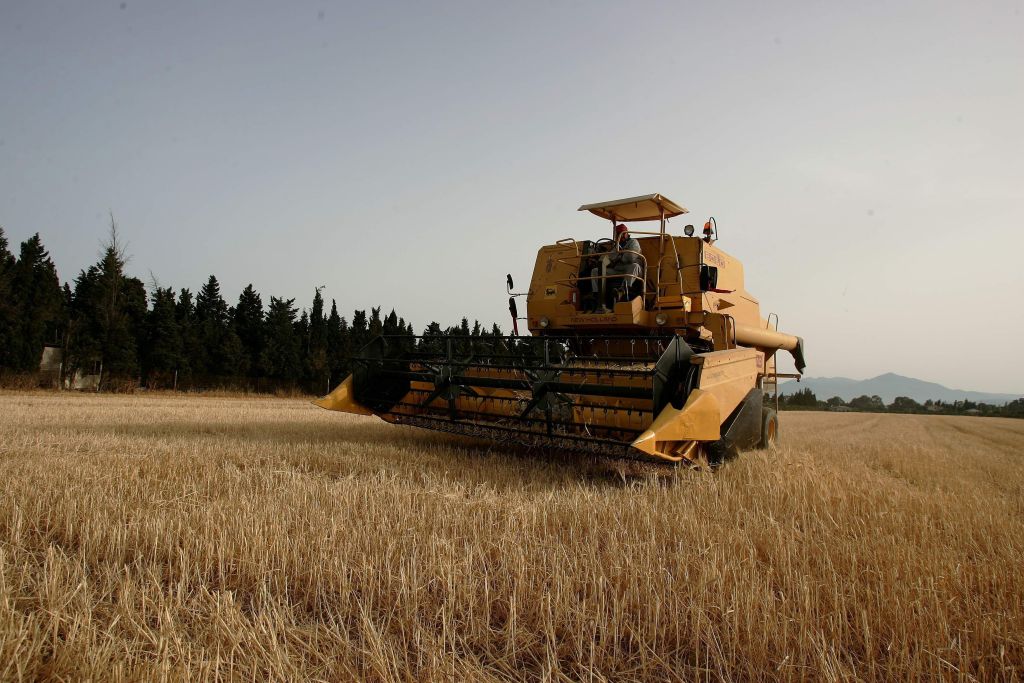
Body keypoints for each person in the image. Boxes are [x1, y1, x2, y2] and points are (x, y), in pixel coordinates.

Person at [591, 223, 643, 311]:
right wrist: (598, 259)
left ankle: (621, 291)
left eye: (622, 233)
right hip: (617, 270)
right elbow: (611, 258)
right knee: (596, 271)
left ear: (626, 233)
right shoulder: (616, 246)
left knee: (635, 266)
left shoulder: (634, 242)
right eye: (618, 234)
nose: (620, 236)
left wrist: (618, 257)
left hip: (630, 269)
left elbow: (631, 257)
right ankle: (597, 296)